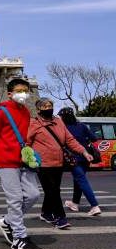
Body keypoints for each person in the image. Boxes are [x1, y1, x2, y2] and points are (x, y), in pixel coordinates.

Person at [0, 78, 42, 249]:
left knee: (33, 194)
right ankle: (19, 237)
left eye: (26, 90)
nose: (23, 94)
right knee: (15, 198)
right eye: (19, 90)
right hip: (5, 160)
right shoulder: (1, 112)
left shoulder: (25, 111)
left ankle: (7, 221)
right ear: (10, 94)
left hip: (23, 160)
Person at [27, 98, 93, 230]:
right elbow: (26, 143)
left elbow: (70, 140)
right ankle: (60, 217)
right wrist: (28, 159)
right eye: (45, 106)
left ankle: (46, 213)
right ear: (38, 109)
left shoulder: (58, 122)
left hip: (58, 163)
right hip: (42, 164)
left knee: (52, 190)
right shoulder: (33, 123)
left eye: (50, 105)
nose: (48, 108)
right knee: (53, 191)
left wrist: (84, 152)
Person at [58, 107, 101, 216]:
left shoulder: (63, 128)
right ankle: (75, 203)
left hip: (73, 158)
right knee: (78, 180)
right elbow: (94, 138)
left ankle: (94, 206)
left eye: (61, 116)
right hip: (86, 157)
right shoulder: (82, 126)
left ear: (64, 117)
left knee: (81, 180)